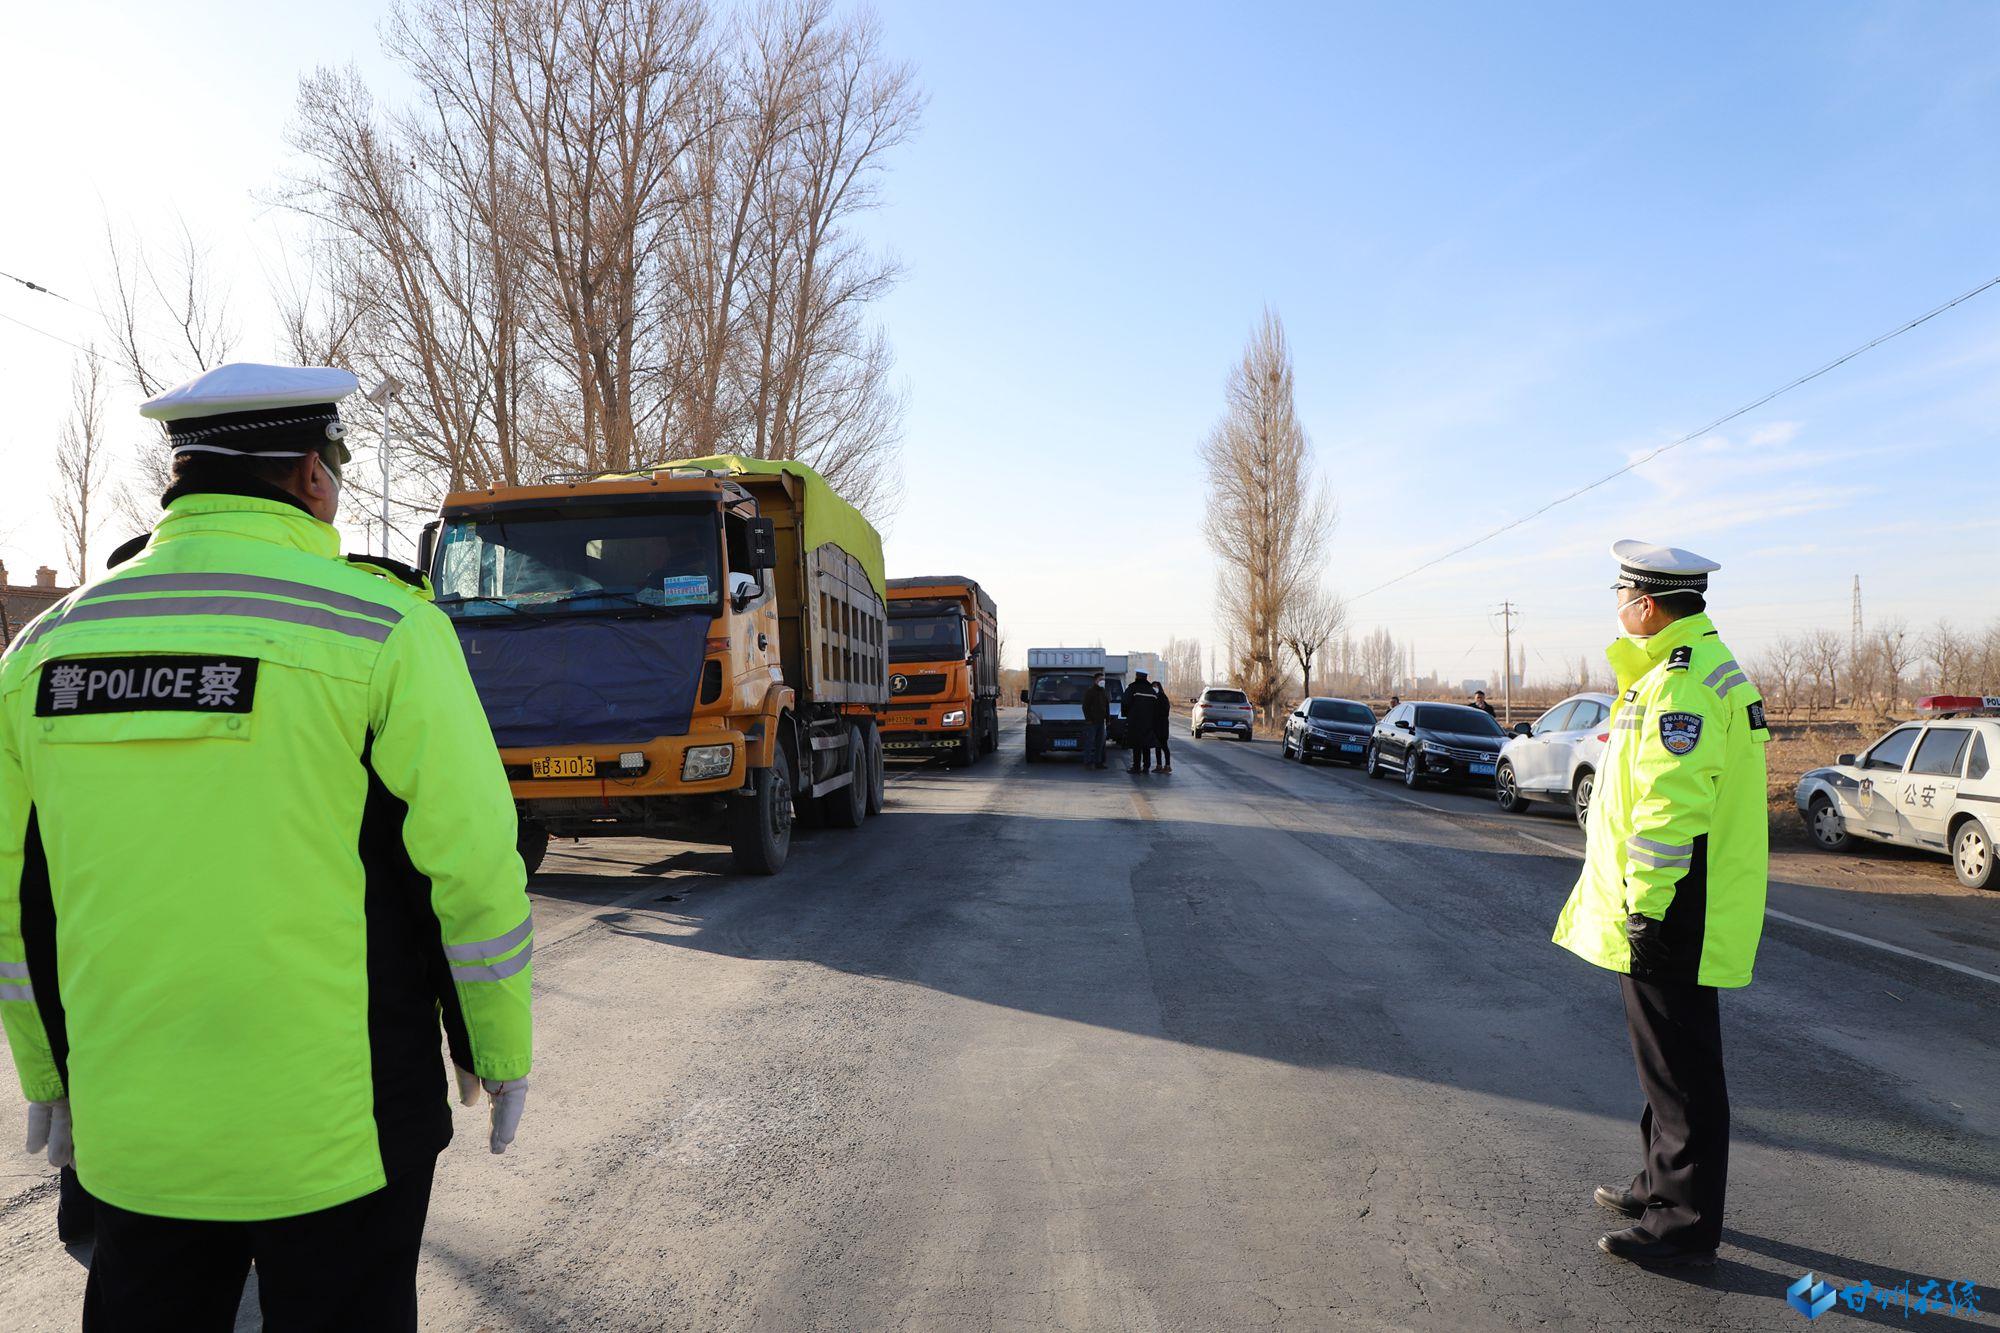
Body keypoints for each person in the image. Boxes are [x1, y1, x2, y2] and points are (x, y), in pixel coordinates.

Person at [0, 363, 535, 1330]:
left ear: (183, 478)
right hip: (342, 1137)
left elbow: (12, 899)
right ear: (313, 478)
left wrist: (49, 1078)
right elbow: (473, 866)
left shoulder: (42, 651)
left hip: (134, 1133)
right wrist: (495, 1046)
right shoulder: (385, 627)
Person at [1551, 540, 1769, 1268]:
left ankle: (1682, 1223)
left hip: (1674, 903)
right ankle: (1659, 1185)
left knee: (1681, 1069)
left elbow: (1670, 809)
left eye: (1620, 592)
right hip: (1672, 899)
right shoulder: (1680, 670)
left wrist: (1645, 905)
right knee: (1665, 1062)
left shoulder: (1682, 684)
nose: (1616, 604)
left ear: (1646, 604)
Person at [1124, 670, 1159, 773]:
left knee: (1136, 745)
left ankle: (1136, 767)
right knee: (1146, 745)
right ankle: (1146, 766)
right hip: (1148, 722)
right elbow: (1157, 708)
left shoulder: (1133, 688)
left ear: (1137, 676)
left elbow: (1125, 702)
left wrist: (1128, 716)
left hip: (1135, 722)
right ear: (1146, 677)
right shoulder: (1151, 690)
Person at [1082, 671, 1111, 769]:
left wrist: (1108, 719)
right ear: (1095, 681)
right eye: (1100, 680)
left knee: (1100, 743)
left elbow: (1107, 707)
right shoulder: (1090, 691)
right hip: (1092, 723)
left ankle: (1098, 762)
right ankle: (1087, 762)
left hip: (1101, 722)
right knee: (1089, 743)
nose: (1102, 681)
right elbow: (1085, 707)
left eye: (1103, 680)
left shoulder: (1103, 691)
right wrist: (1089, 719)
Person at [1149, 679, 1174, 773]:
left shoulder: (1163, 697)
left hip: (1162, 726)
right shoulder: (1154, 697)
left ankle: (1167, 766)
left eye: (1156, 687)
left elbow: (1165, 712)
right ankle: (1159, 765)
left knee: (1164, 746)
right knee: (1157, 747)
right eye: (1153, 687)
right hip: (1156, 726)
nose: (1154, 689)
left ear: (1159, 687)